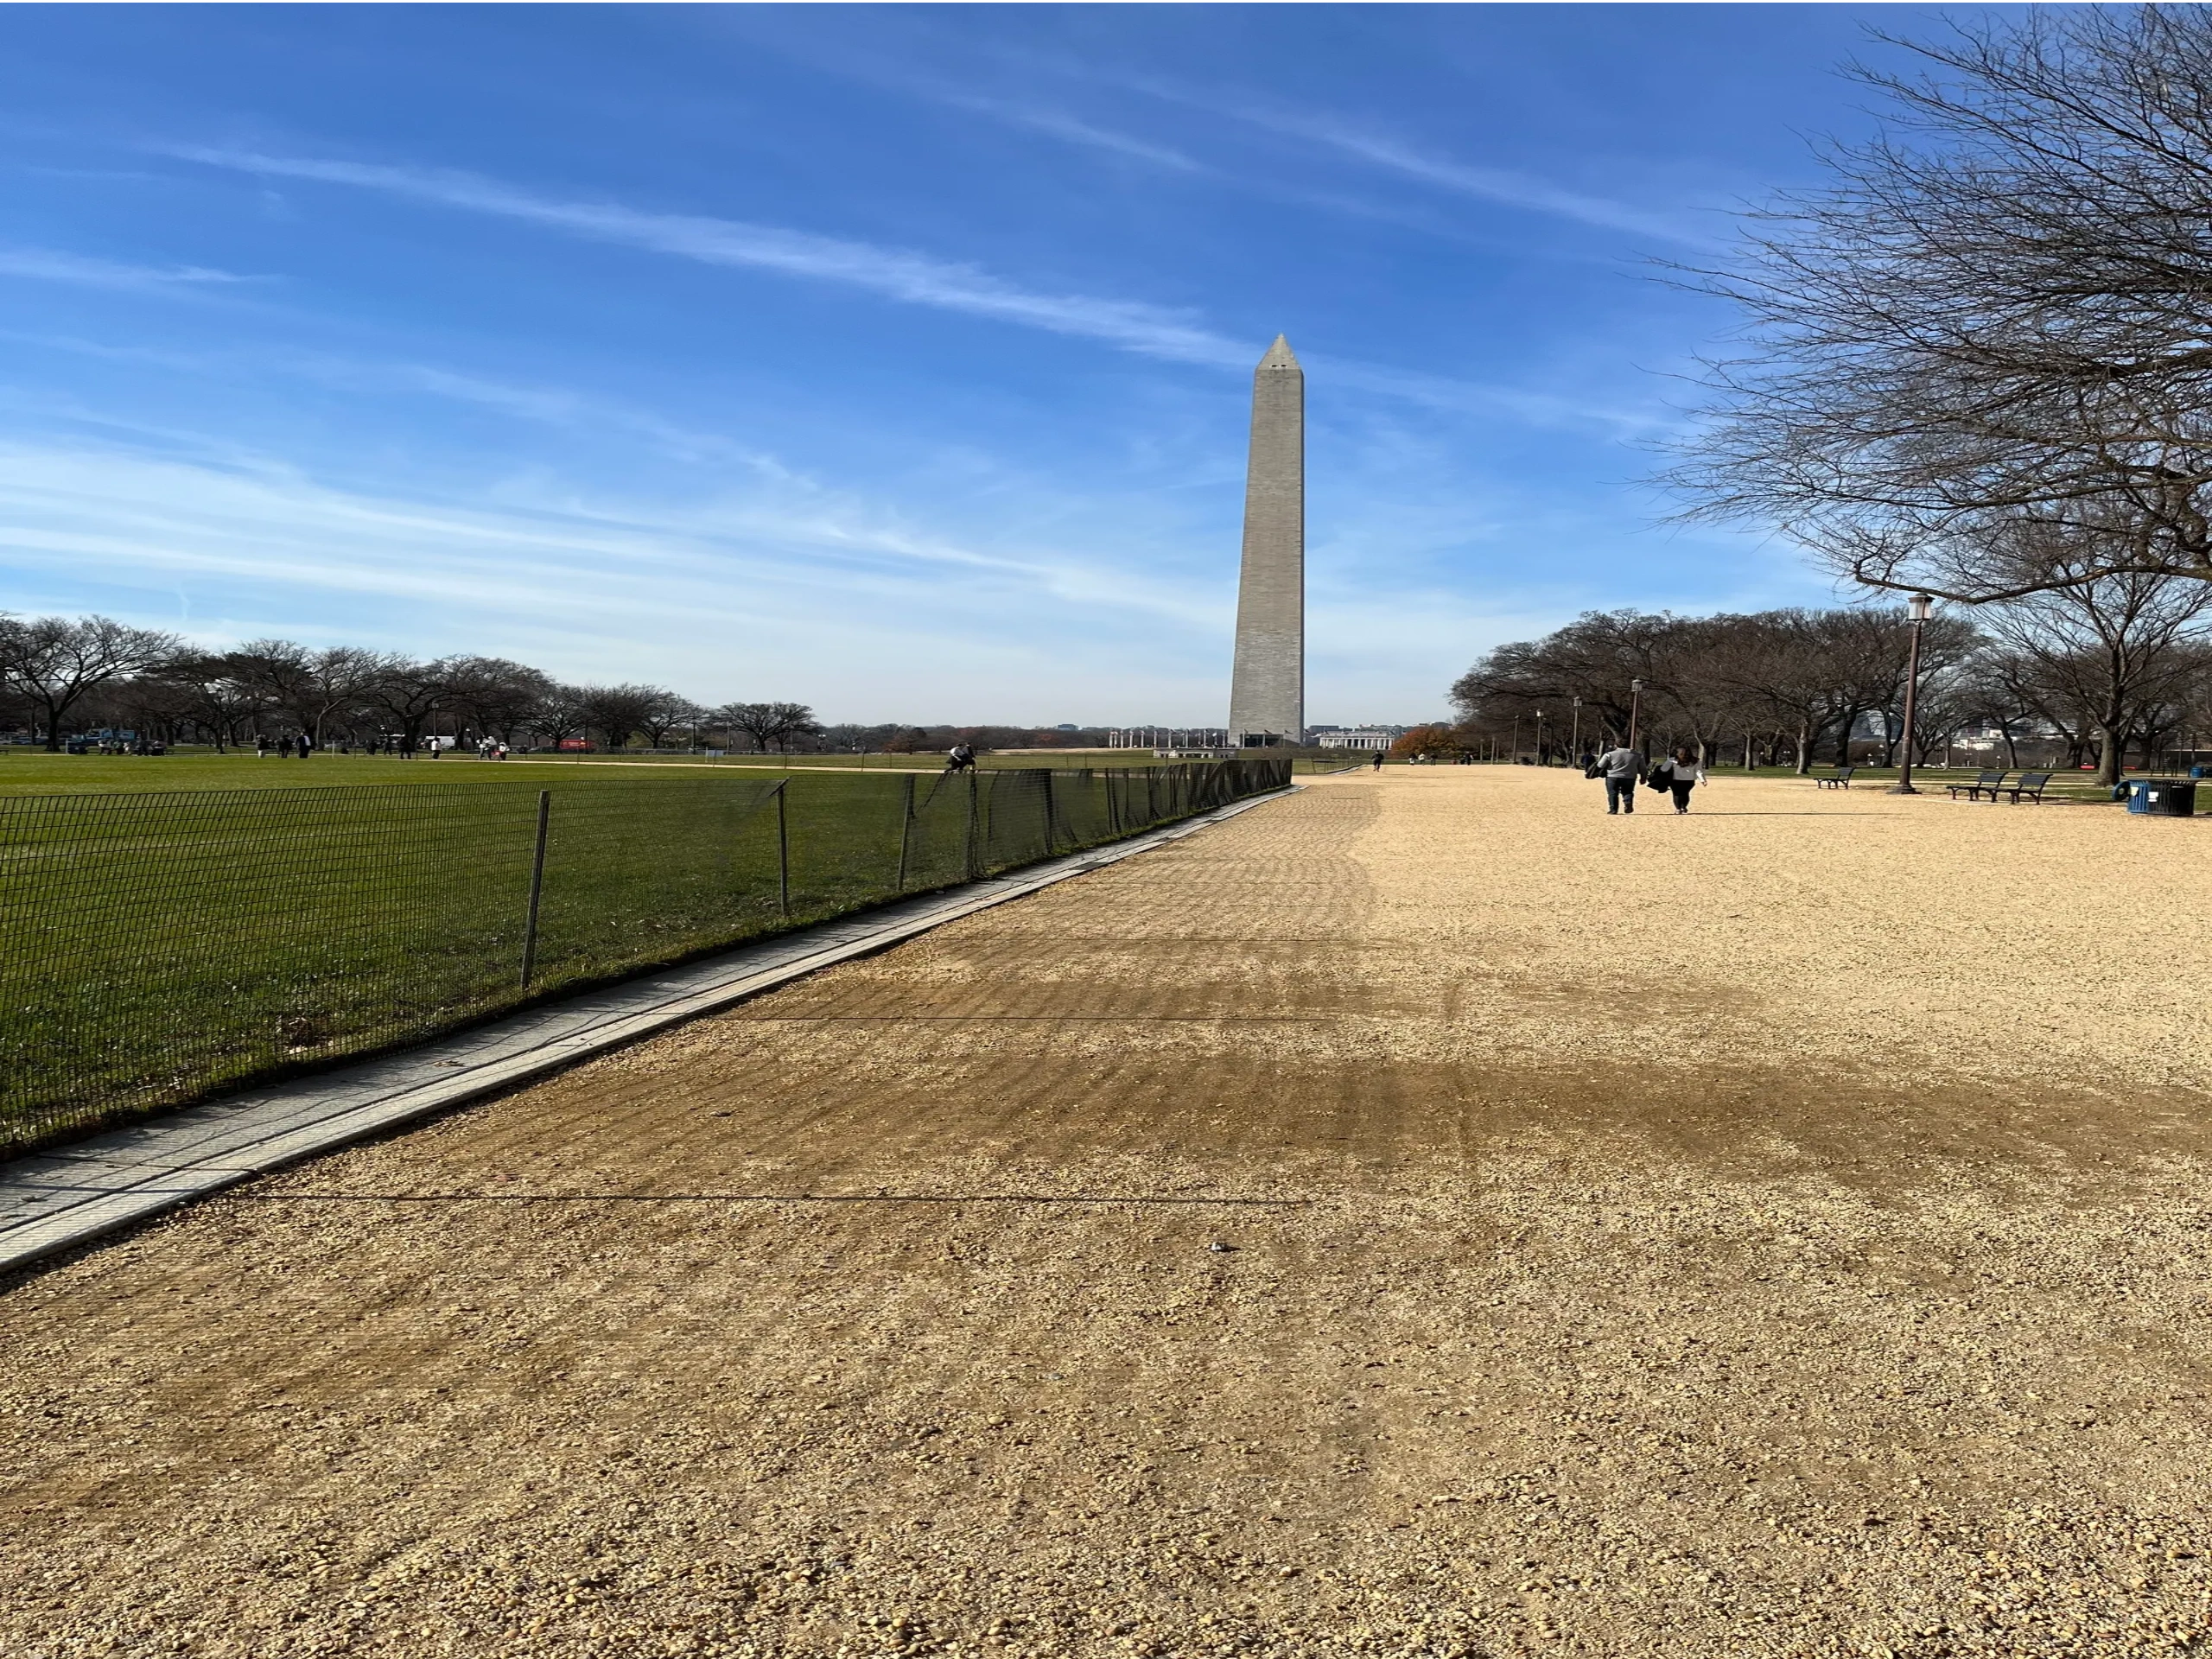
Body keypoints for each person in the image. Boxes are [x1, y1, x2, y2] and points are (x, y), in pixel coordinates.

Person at [1593, 739, 1644, 814]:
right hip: (1630, 777)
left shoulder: (1609, 754)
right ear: (1628, 745)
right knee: (1628, 791)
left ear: (1616, 745)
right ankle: (1628, 801)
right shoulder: (1638, 755)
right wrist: (1643, 777)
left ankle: (1613, 809)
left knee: (1612, 792)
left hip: (1613, 776)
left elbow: (1600, 765)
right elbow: (1643, 768)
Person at [1655, 745, 1708, 814]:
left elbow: (1698, 771)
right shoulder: (1673, 760)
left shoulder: (1695, 761)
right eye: (1679, 752)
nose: (1681, 754)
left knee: (1685, 793)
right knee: (1677, 794)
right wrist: (1669, 762)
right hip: (1675, 780)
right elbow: (1664, 769)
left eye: (1683, 752)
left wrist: (1703, 780)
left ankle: (1683, 807)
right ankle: (1678, 809)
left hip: (1689, 780)